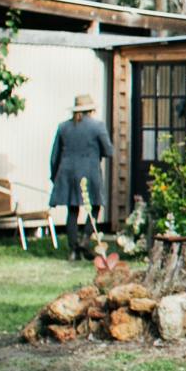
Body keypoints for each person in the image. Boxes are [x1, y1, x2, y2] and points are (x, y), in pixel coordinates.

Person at [50, 94, 113, 258]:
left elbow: (54, 156)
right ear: (91, 110)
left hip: (68, 172)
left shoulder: (63, 127)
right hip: (90, 172)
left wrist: (54, 176)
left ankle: (73, 249)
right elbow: (109, 150)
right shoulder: (97, 126)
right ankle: (85, 241)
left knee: (72, 210)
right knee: (95, 206)